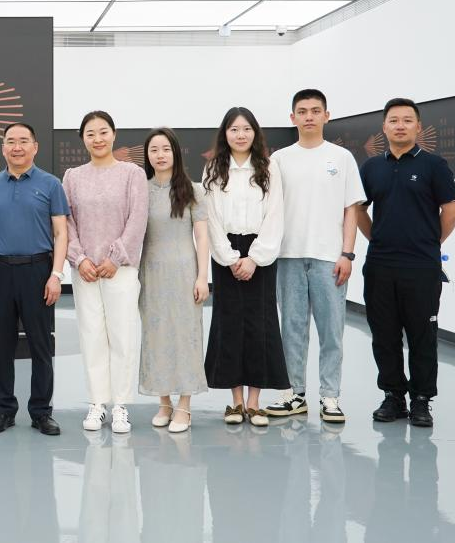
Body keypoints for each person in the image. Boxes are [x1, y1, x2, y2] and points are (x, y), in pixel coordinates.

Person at [359, 98, 455, 427]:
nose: (400, 125)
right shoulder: (371, 167)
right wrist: (375, 238)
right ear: (384, 127)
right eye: (393, 120)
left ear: (418, 126)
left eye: (406, 120)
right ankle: (393, 396)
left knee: (422, 334)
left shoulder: (434, 165)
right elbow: (358, 209)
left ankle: (421, 399)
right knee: (384, 334)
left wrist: (431, 242)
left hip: (421, 267)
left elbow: (452, 209)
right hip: (380, 265)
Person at [266, 90, 365, 424]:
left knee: (331, 331)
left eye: (315, 110)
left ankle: (330, 397)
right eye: (302, 111)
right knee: (291, 330)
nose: (309, 116)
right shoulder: (279, 159)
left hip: (329, 258)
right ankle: (294, 395)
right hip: (288, 256)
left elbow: (351, 209)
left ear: (326, 115)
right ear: (292, 118)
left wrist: (347, 253)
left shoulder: (342, 158)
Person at [0, 122, 70, 436]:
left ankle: (41, 412)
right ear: (3, 147)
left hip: (38, 271)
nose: (17, 147)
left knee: (40, 345)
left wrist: (56, 275)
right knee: (2, 345)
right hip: (0, 271)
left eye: (23, 141)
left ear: (35, 146)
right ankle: (4, 410)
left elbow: (61, 233)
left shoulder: (51, 184)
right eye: (10, 141)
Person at [201, 107, 288, 426]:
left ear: (255, 133)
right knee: (230, 325)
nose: (241, 135)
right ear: (225, 134)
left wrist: (255, 257)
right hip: (226, 253)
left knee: (260, 325)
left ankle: (254, 403)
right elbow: (210, 217)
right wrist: (229, 257)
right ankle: (236, 402)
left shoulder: (269, 167)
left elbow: (275, 214)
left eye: (246, 129)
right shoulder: (214, 168)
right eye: (234, 129)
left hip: (260, 253)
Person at [62, 111, 148, 434]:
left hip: (120, 270)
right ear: (83, 139)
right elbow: (66, 222)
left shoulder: (132, 174)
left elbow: (137, 219)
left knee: (123, 335)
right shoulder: (72, 177)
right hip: (85, 271)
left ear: (114, 134)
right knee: (92, 336)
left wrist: (116, 257)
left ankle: (121, 405)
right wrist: (79, 258)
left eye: (103, 132)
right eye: (90, 133)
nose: (97, 139)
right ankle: (97, 403)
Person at [138, 127, 210, 434]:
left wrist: (202, 277)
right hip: (150, 273)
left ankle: (185, 405)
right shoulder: (140, 191)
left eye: (166, 149)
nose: (160, 155)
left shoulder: (193, 190)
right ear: (147, 155)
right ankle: (164, 402)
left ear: (176, 153)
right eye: (154, 150)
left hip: (184, 272)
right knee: (156, 335)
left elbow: (202, 237)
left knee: (185, 336)